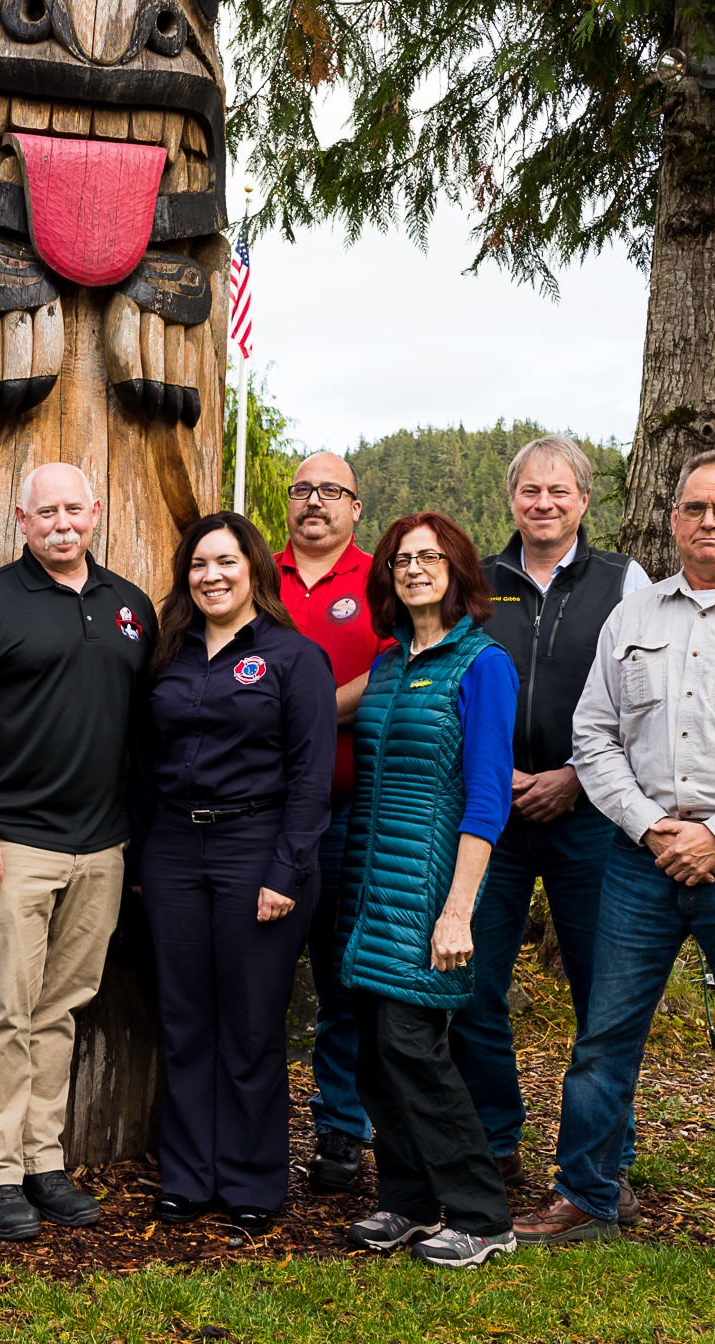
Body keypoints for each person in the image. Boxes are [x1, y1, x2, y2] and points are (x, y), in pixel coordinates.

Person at [516, 450, 715, 1297]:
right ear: (672, 520)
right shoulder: (634, 615)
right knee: (604, 1038)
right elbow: (595, 735)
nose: (708, 522)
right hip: (641, 858)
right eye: (694, 507)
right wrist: (649, 824)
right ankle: (586, 1194)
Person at [0, 462, 157, 1241]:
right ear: (21, 521)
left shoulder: (130, 607)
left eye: (72, 509)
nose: (61, 522)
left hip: (101, 846)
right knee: (1, 1011)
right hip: (11, 843)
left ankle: (42, 1159)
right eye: (44, 511)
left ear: (96, 512)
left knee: (60, 1011)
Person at [450, 435, 648, 1205]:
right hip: (490, 817)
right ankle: (492, 1142)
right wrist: (494, 776)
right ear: (512, 498)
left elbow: (646, 695)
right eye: (530, 490)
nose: (543, 503)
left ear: (584, 500)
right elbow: (455, 682)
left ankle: (603, 1157)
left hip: (591, 814)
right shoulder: (477, 581)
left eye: (559, 491)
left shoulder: (624, 581)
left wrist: (577, 776)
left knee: (605, 994)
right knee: (472, 984)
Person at [136, 512, 335, 1235]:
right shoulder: (168, 652)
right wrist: (143, 855)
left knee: (251, 1023)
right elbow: (143, 758)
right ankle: (189, 1176)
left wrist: (287, 870)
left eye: (226, 562)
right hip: (173, 850)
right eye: (198, 564)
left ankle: (253, 1178)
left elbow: (311, 776)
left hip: (258, 846)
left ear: (255, 569)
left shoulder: (293, 657)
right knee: (184, 1020)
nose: (211, 576)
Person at [338, 512, 519, 1269]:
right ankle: (408, 1202)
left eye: (430, 557)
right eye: (402, 559)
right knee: (375, 1055)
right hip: (369, 884)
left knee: (412, 1047)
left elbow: (489, 796)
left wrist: (458, 910)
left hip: (431, 887)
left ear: (457, 570)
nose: (414, 569)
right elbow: (319, 709)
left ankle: (482, 1214)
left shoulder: (482, 664)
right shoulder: (389, 664)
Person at [273, 450, 393, 1196]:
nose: (314, 501)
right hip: (265, 814)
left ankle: (342, 1129)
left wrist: (302, 711)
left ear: (355, 507)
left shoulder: (384, 579)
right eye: (302, 489)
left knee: (345, 977)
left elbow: (389, 674)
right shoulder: (258, 575)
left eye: (330, 491)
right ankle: (250, 1128)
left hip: (353, 811)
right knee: (260, 975)